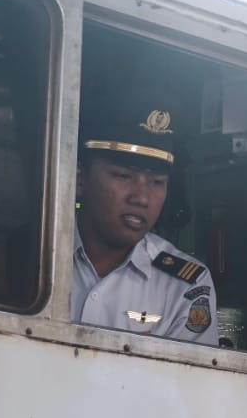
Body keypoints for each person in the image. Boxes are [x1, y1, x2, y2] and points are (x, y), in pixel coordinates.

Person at [72, 97, 218, 345]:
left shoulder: (184, 284)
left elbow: (187, 380)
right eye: (124, 176)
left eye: (157, 182)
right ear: (80, 180)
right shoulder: (33, 251)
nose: (141, 198)